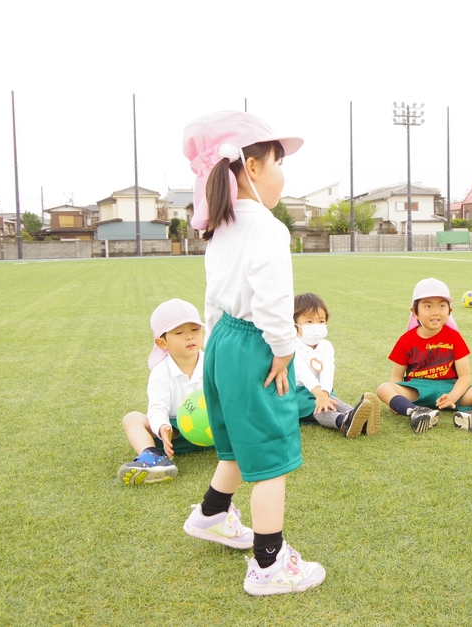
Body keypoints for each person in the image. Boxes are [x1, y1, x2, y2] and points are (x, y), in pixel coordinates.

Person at [179, 111, 325, 596]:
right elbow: (273, 302)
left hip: (222, 340)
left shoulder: (220, 226)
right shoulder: (266, 226)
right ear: (252, 167)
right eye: (278, 161)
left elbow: (213, 297)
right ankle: (269, 564)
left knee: (238, 445)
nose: (283, 173)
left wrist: (211, 349)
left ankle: (212, 515)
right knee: (271, 457)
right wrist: (283, 351)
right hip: (255, 343)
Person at [376, 278, 472, 434]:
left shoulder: (454, 337)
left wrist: (453, 396)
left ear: (450, 311)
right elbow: (396, 377)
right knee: (383, 388)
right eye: (427, 306)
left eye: (442, 305)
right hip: (418, 389)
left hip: (450, 387)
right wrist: (394, 402)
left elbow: (465, 377)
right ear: (414, 312)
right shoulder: (405, 340)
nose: (435, 312)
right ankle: (416, 412)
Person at [118, 298, 209, 486]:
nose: (190, 336)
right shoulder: (161, 372)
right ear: (162, 343)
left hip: (213, 431)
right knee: (132, 418)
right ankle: (153, 458)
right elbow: (157, 407)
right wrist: (162, 427)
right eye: (179, 332)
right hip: (174, 435)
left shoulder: (213, 362)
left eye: (195, 329)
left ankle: (251, 446)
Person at [293, 292, 381, 437]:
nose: (316, 326)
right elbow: (303, 373)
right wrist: (319, 396)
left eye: (321, 321)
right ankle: (344, 421)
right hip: (297, 392)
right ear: (295, 324)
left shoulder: (326, 346)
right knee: (319, 408)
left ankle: (359, 416)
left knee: (333, 401)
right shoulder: (292, 345)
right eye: (309, 322)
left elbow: (327, 371)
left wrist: (325, 394)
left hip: (321, 389)